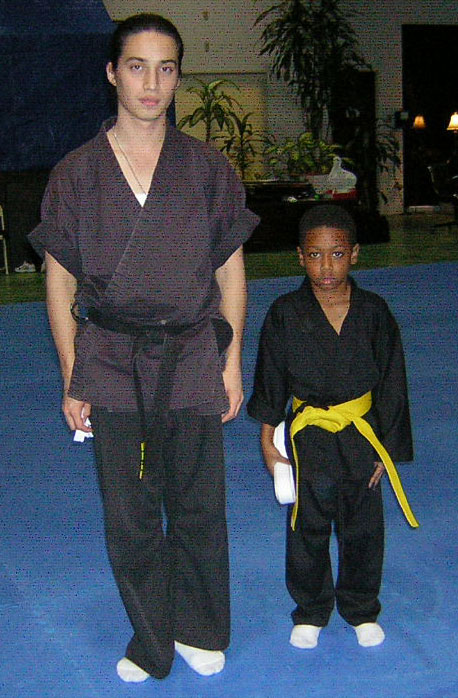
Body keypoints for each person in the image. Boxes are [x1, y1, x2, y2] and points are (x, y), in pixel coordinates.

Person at [29, 13, 259, 684]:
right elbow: (59, 279)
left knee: (198, 505)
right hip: (111, 358)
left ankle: (201, 626)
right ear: (112, 74)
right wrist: (73, 374)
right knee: (130, 514)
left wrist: (232, 360)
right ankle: (152, 638)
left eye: (166, 68)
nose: (152, 83)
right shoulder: (77, 173)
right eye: (137, 67)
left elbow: (231, 271)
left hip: (191, 355)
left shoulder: (208, 168)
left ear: (178, 77)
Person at [247, 204, 417, 651]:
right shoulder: (285, 312)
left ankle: (361, 607)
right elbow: (270, 381)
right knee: (307, 523)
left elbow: (393, 382)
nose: (326, 267)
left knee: (364, 526)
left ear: (355, 254)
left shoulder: (374, 312)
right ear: (300, 257)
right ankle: (311, 609)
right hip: (309, 434)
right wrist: (268, 441)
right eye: (315, 255)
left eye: (337, 254)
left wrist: (387, 450)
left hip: (362, 432)